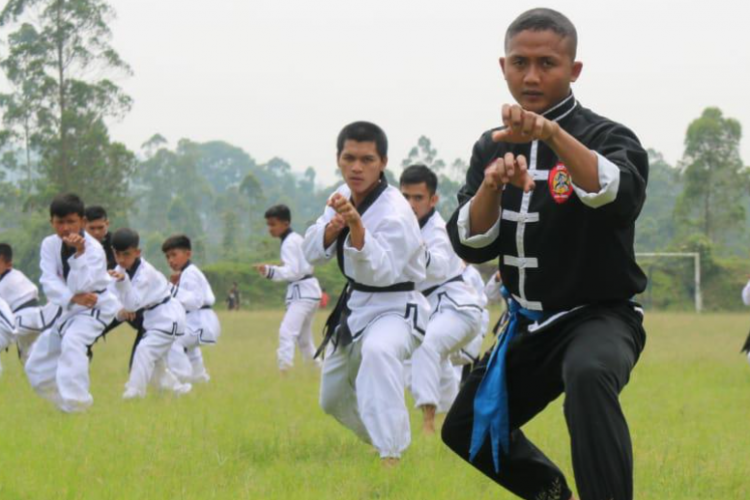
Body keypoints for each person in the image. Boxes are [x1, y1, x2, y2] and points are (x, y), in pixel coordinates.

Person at [440, 9, 648, 500]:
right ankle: (553, 495)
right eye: (519, 62)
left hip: (601, 316)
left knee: (589, 374)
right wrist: (491, 186)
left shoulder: (609, 138)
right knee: (466, 428)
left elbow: (619, 199)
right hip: (528, 325)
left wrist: (552, 135)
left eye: (547, 63)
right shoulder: (490, 146)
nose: (531, 76)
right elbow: (470, 243)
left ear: (574, 70)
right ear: (503, 65)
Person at [302, 121, 429, 465]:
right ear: (339, 158)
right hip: (356, 307)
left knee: (378, 352)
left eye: (367, 159)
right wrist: (334, 227)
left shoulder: (396, 212)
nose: (357, 167)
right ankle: (380, 440)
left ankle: (392, 457)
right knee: (331, 398)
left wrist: (357, 227)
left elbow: (382, 271)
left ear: (383, 162)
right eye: (350, 158)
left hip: (397, 307)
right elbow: (311, 253)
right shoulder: (340, 199)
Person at [400, 164, 483, 433]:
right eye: (405, 197)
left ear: (433, 199)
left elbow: (435, 268)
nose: (411, 204)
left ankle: (428, 423)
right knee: (434, 361)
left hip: (459, 309)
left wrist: (409, 249)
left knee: (427, 345)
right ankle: (453, 424)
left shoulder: (436, 231)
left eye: (418, 198)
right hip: (433, 309)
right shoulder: (404, 227)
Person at [25, 193, 120, 413]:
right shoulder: (49, 244)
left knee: (73, 342)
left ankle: (77, 406)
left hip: (96, 305)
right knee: (36, 365)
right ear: (52, 222)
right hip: (69, 308)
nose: (66, 228)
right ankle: (64, 406)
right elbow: (48, 279)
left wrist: (79, 254)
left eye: (71, 222)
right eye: (60, 222)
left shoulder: (94, 249)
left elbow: (83, 286)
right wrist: (71, 298)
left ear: (82, 222)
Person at [107, 228, 191, 399]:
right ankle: (178, 390)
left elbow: (131, 304)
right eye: (117, 254)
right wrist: (120, 311)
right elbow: (112, 298)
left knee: (144, 350)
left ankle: (135, 392)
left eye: (126, 254)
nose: (121, 259)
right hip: (154, 318)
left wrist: (123, 285)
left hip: (168, 317)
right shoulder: (120, 269)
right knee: (156, 363)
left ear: (137, 252)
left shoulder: (145, 274)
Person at [257, 204, 322, 372]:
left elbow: (293, 271)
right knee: (304, 340)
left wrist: (270, 271)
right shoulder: (295, 239)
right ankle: (318, 371)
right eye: (268, 224)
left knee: (287, 332)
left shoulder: (289, 242)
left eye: (273, 224)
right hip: (310, 292)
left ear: (285, 223)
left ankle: (284, 370)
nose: (270, 228)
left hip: (302, 293)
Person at [163, 234, 220, 384]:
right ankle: (200, 379)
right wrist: (176, 286)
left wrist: (171, 289)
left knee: (172, 339)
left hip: (201, 320)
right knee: (190, 347)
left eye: (174, 255)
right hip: (202, 320)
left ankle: (181, 377)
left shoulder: (190, 273)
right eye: (167, 257)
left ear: (188, 254)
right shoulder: (187, 273)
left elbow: (194, 301)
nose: (170, 260)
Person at [0, 243, 59, 365]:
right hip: (37, 318)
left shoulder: (6, 281)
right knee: (31, 361)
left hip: (22, 320)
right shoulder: (16, 275)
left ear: (8, 264)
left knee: (32, 359)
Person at [84, 205, 116, 270]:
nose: (96, 232)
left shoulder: (116, 242)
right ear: (83, 225)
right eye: (92, 228)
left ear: (107, 224)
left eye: (100, 227)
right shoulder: (77, 243)